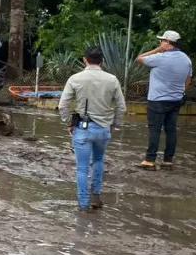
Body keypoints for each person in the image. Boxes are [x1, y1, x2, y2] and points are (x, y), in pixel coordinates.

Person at [58, 47, 126, 212]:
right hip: (103, 129)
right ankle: (96, 196)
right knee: (98, 161)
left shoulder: (75, 78)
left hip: (82, 128)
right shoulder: (112, 79)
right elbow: (121, 107)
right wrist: (114, 124)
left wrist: (69, 123)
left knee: (82, 168)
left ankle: (83, 204)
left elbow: (62, 105)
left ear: (84, 59)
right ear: (102, 61)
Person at [136, 30, 193, 170]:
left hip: (158, 100)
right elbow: (188, 79)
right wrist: (181, 92)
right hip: (175, 100)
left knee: (154, 129)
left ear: (167, 43)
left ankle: (150, 160)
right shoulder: (186, 59)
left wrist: (158, 50)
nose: (159, 42)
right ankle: (168, 160)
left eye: (162, 41)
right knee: (171, 129)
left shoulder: (160, 57)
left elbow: (139, 58)